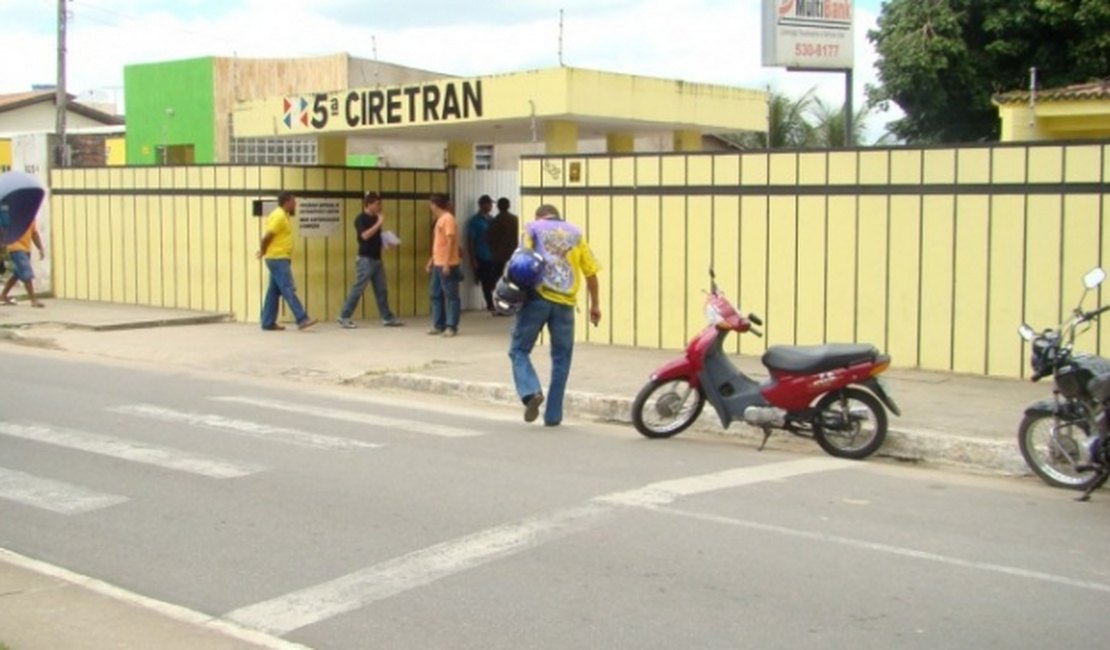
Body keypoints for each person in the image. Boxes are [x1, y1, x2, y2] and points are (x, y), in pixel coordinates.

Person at [509, 204, 601, 426]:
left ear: (539, 215)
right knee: (562, 360)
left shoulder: (532, 228)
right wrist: (595, 306)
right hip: (566, 304)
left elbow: (521, 260)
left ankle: (531, 392)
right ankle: (553, 416)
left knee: (519, 350)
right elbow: (591, 273)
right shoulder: (576, 233)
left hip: (537, 300)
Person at [337, 192, 404, 328]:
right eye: (377, 204)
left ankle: (387, 317)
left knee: (381, 289)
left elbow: (376, 237)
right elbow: (365, 236)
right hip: (365, 259)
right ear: (368, 204)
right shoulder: (360, 218)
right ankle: (344, 316)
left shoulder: (375, 219)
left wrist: (388, 243)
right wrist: (379, 223)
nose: (380, 207)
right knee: (358, 288)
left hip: (377, 259)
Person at [257, 191, 317, 331]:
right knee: (288, 288)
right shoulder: (279, 216)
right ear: (287, 201)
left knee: (273, 291)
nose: (295, 204)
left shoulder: (283, 215)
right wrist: (263, 250)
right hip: (278, 258)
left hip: (277, 257)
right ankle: (302, 318)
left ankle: (267, 322)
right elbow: (267, 237)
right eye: (293, 201)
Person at [425, 193, 462, 337]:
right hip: (438, 263)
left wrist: (446, 263)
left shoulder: (448, 219)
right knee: (435, 293)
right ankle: (438, 324)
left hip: (448, 264)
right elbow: (438, 244)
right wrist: (432, 261)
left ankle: (451, 325)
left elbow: (450, 242)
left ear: (435, 205)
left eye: (431, 204)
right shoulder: (440, 219)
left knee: (451, 295)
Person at [0, 222, 46, 307]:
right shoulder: (14, 217)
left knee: (17, 273)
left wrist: (40, 248)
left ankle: (3, 295)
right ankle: (33, 300)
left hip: (26, 249)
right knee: (26, 272)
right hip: (15, 248)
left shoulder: (31, 219)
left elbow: (34, 234)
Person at [466, 194, 499, 312]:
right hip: (482, 255)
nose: (490, 206)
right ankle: (490, 304)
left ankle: (496, 301)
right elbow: (470, 240)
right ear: (482, 205)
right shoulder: (475, 221)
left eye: (491, 204)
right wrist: (473, 258)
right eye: (488, 204)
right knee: (485, 281)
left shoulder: (492, 219)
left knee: (494, 280)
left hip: (494, 255)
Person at [486, 196, 520, 286]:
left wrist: (493, 250)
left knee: (498, 280)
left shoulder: (495, 221)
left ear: (498, 207)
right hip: (513, 255)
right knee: (513, 281)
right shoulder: (515, 219)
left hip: (498, 257)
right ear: (509, 206)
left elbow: (488, 238)